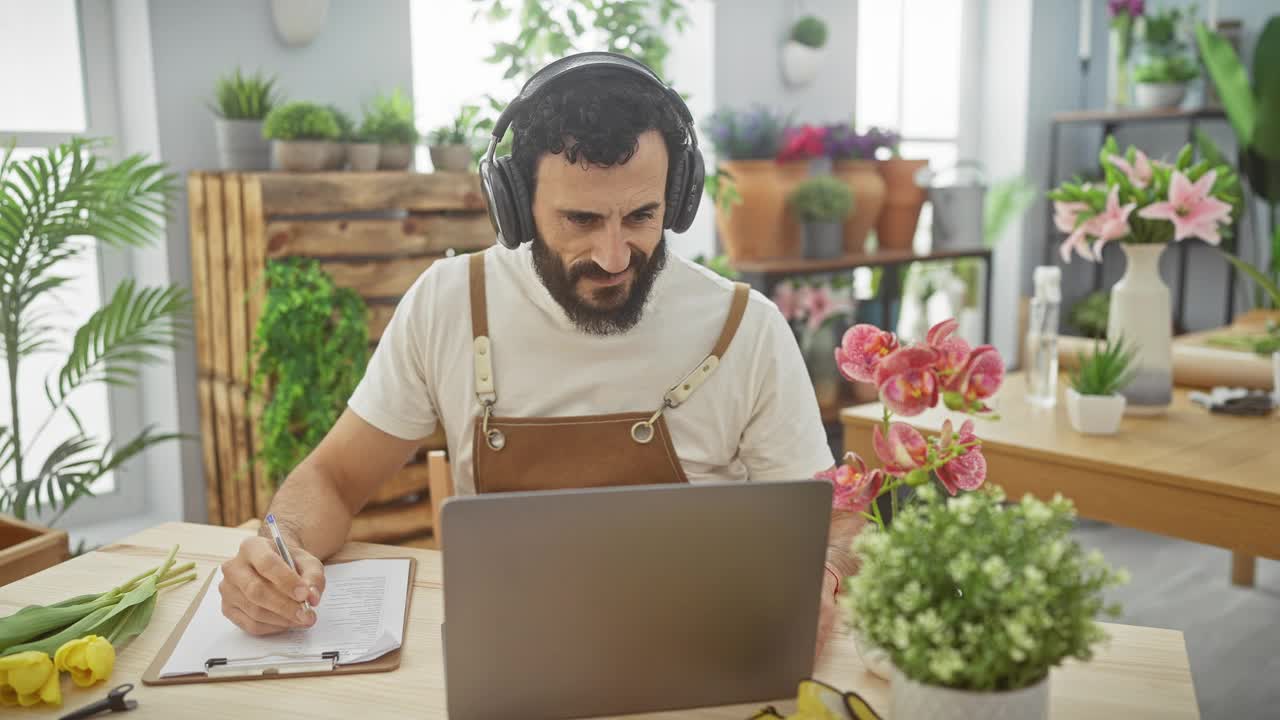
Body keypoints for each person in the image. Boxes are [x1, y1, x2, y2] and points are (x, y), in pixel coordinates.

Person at [218, 52, 862, 657]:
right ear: (514, 205)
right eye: (581, 220)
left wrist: (825, 575)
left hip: (705, 653)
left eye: (641, 215)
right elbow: (334, 479)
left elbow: (831, 522)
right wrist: (283, 546)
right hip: (509, 657)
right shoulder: (451, 303)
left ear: (681, 197)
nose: (615, 257)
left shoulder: (745, 328)